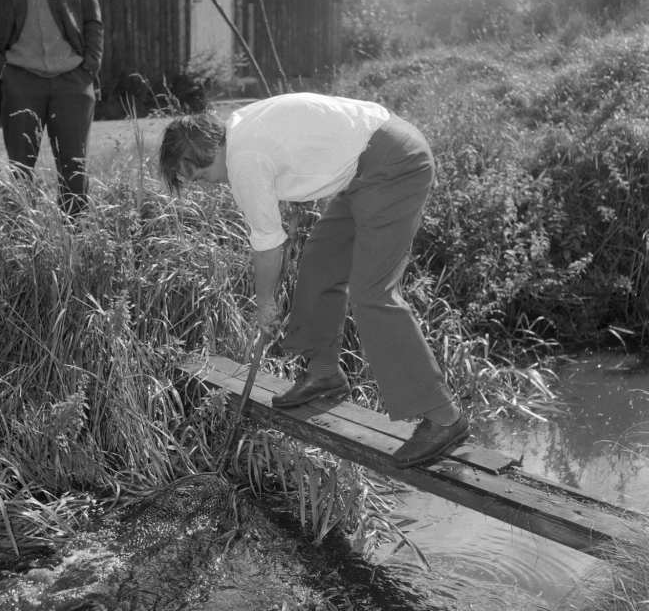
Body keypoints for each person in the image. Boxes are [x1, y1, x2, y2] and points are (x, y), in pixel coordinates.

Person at [158, 92, 470, 469]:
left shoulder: (243, 159)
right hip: (370, 162)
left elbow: (268, 244)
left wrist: (265, 302)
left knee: (372, 293)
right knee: (320, 261)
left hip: (392, 165)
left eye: (201, 176)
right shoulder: (239, 129)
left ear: (208, 152)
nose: (207, 185)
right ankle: (324, 372)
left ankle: (443, 416)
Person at [0, 0, 103, 219]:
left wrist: (88, 69)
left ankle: (75, 245)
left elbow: (93, 20)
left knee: (74, 171)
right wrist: (4, 72)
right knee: (20, 172)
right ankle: (24, 246)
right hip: (21, 83)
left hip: (72, 82)